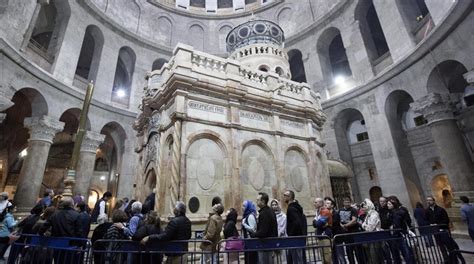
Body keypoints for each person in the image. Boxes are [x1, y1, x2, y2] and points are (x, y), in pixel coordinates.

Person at [426, 196, 463, 263]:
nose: (428, 202)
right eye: (427, 200)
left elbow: (446, 220)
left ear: (434, 201)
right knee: (441, 246)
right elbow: (427, 220)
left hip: (443, 231)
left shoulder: (441, 209)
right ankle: (446, 260)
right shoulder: (427, 211)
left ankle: (454, 260)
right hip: (436, 232)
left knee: (449, 246)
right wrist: (430, 224)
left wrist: (438, 225)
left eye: (430, 200)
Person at [251, 192, 278, 263]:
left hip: (265, 244)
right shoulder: (270, 211)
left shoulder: (264, 213)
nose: (256, 201)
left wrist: (253, 234)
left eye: (257, 200)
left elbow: (263, 232)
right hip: (270, 243)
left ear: (263, 201)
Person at [387, 196, 415, 264]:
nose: (388, 205)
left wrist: (393, 228)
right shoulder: (391, 213)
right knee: (398, 254)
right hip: (396, 235)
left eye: (389, 204)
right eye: (388, 204)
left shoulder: (398, 212)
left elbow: (398, 224)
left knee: (406, 253)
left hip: (400, 235)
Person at [283, 190, 305, 264]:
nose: (283, 197)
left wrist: (291, 234)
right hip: (297, 237)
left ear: (289, 197)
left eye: (285, 195)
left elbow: (297, 222)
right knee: (297, 258)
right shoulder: (295, 207)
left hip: (295, 238)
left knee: (297, 259)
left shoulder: (291, 209)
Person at [336, 196, 360, 264]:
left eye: (348, 202)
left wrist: (346, 225)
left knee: (356, 250)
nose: (347, 203)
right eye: (345, 202)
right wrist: (342, 226)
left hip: (353, 232)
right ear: (343, 203)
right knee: (348, 250)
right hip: (345, 233)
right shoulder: (340, 210)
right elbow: (338, 220)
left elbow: (354, 220)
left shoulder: (353, 210)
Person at [360, 199, 382, 264]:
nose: (362, 209)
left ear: (368, 206)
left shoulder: (374, 214)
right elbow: (363, 224)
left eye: (363, 207)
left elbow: (369, 228)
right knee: (369, 257)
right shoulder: (368, 214)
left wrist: (365, 226)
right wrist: (365, 226)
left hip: (375, 237)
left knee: (374, 257)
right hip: (369, 238)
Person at [313, 197, 332, 264]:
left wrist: (315, 221)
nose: (314, 204)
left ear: (321, 203)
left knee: (327, 256)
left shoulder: (325, 211)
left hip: (325, 236)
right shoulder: (318, 211)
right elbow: (315, 224)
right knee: (323, 256)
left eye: (316, 202)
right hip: (320, 235)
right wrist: (315, 222)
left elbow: (318, 223)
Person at [271, 199, 287, 263]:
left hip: (281, 238)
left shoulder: (283, 216)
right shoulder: (271, 216)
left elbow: (282, 227)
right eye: (272, 205)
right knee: (275, 259)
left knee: (283, 258)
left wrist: (277, 236)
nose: (274, 206)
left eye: (275, 204)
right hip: (273, 239)